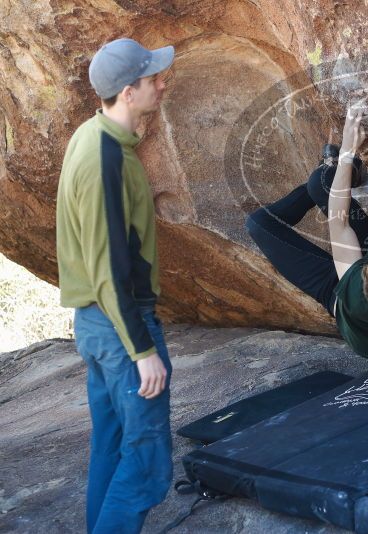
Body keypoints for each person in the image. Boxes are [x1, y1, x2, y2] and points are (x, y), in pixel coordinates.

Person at [55, 38, 174, 534]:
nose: (161, 84)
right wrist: (142, 350)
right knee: (146, 465)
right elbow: (107, 268)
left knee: (111, 446)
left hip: (95, 325)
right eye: (153, 78)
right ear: (128, 92)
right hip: (120, 328)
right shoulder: (103, 158)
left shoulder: (93, 135)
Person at [246, 89, 368, 358]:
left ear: (364, 269)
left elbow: (339, 222)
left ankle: (329, 172)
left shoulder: (353, 287)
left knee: (259, 224)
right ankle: (335, 175)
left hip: (337, 298)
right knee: (321, 184)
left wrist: (347, 152)